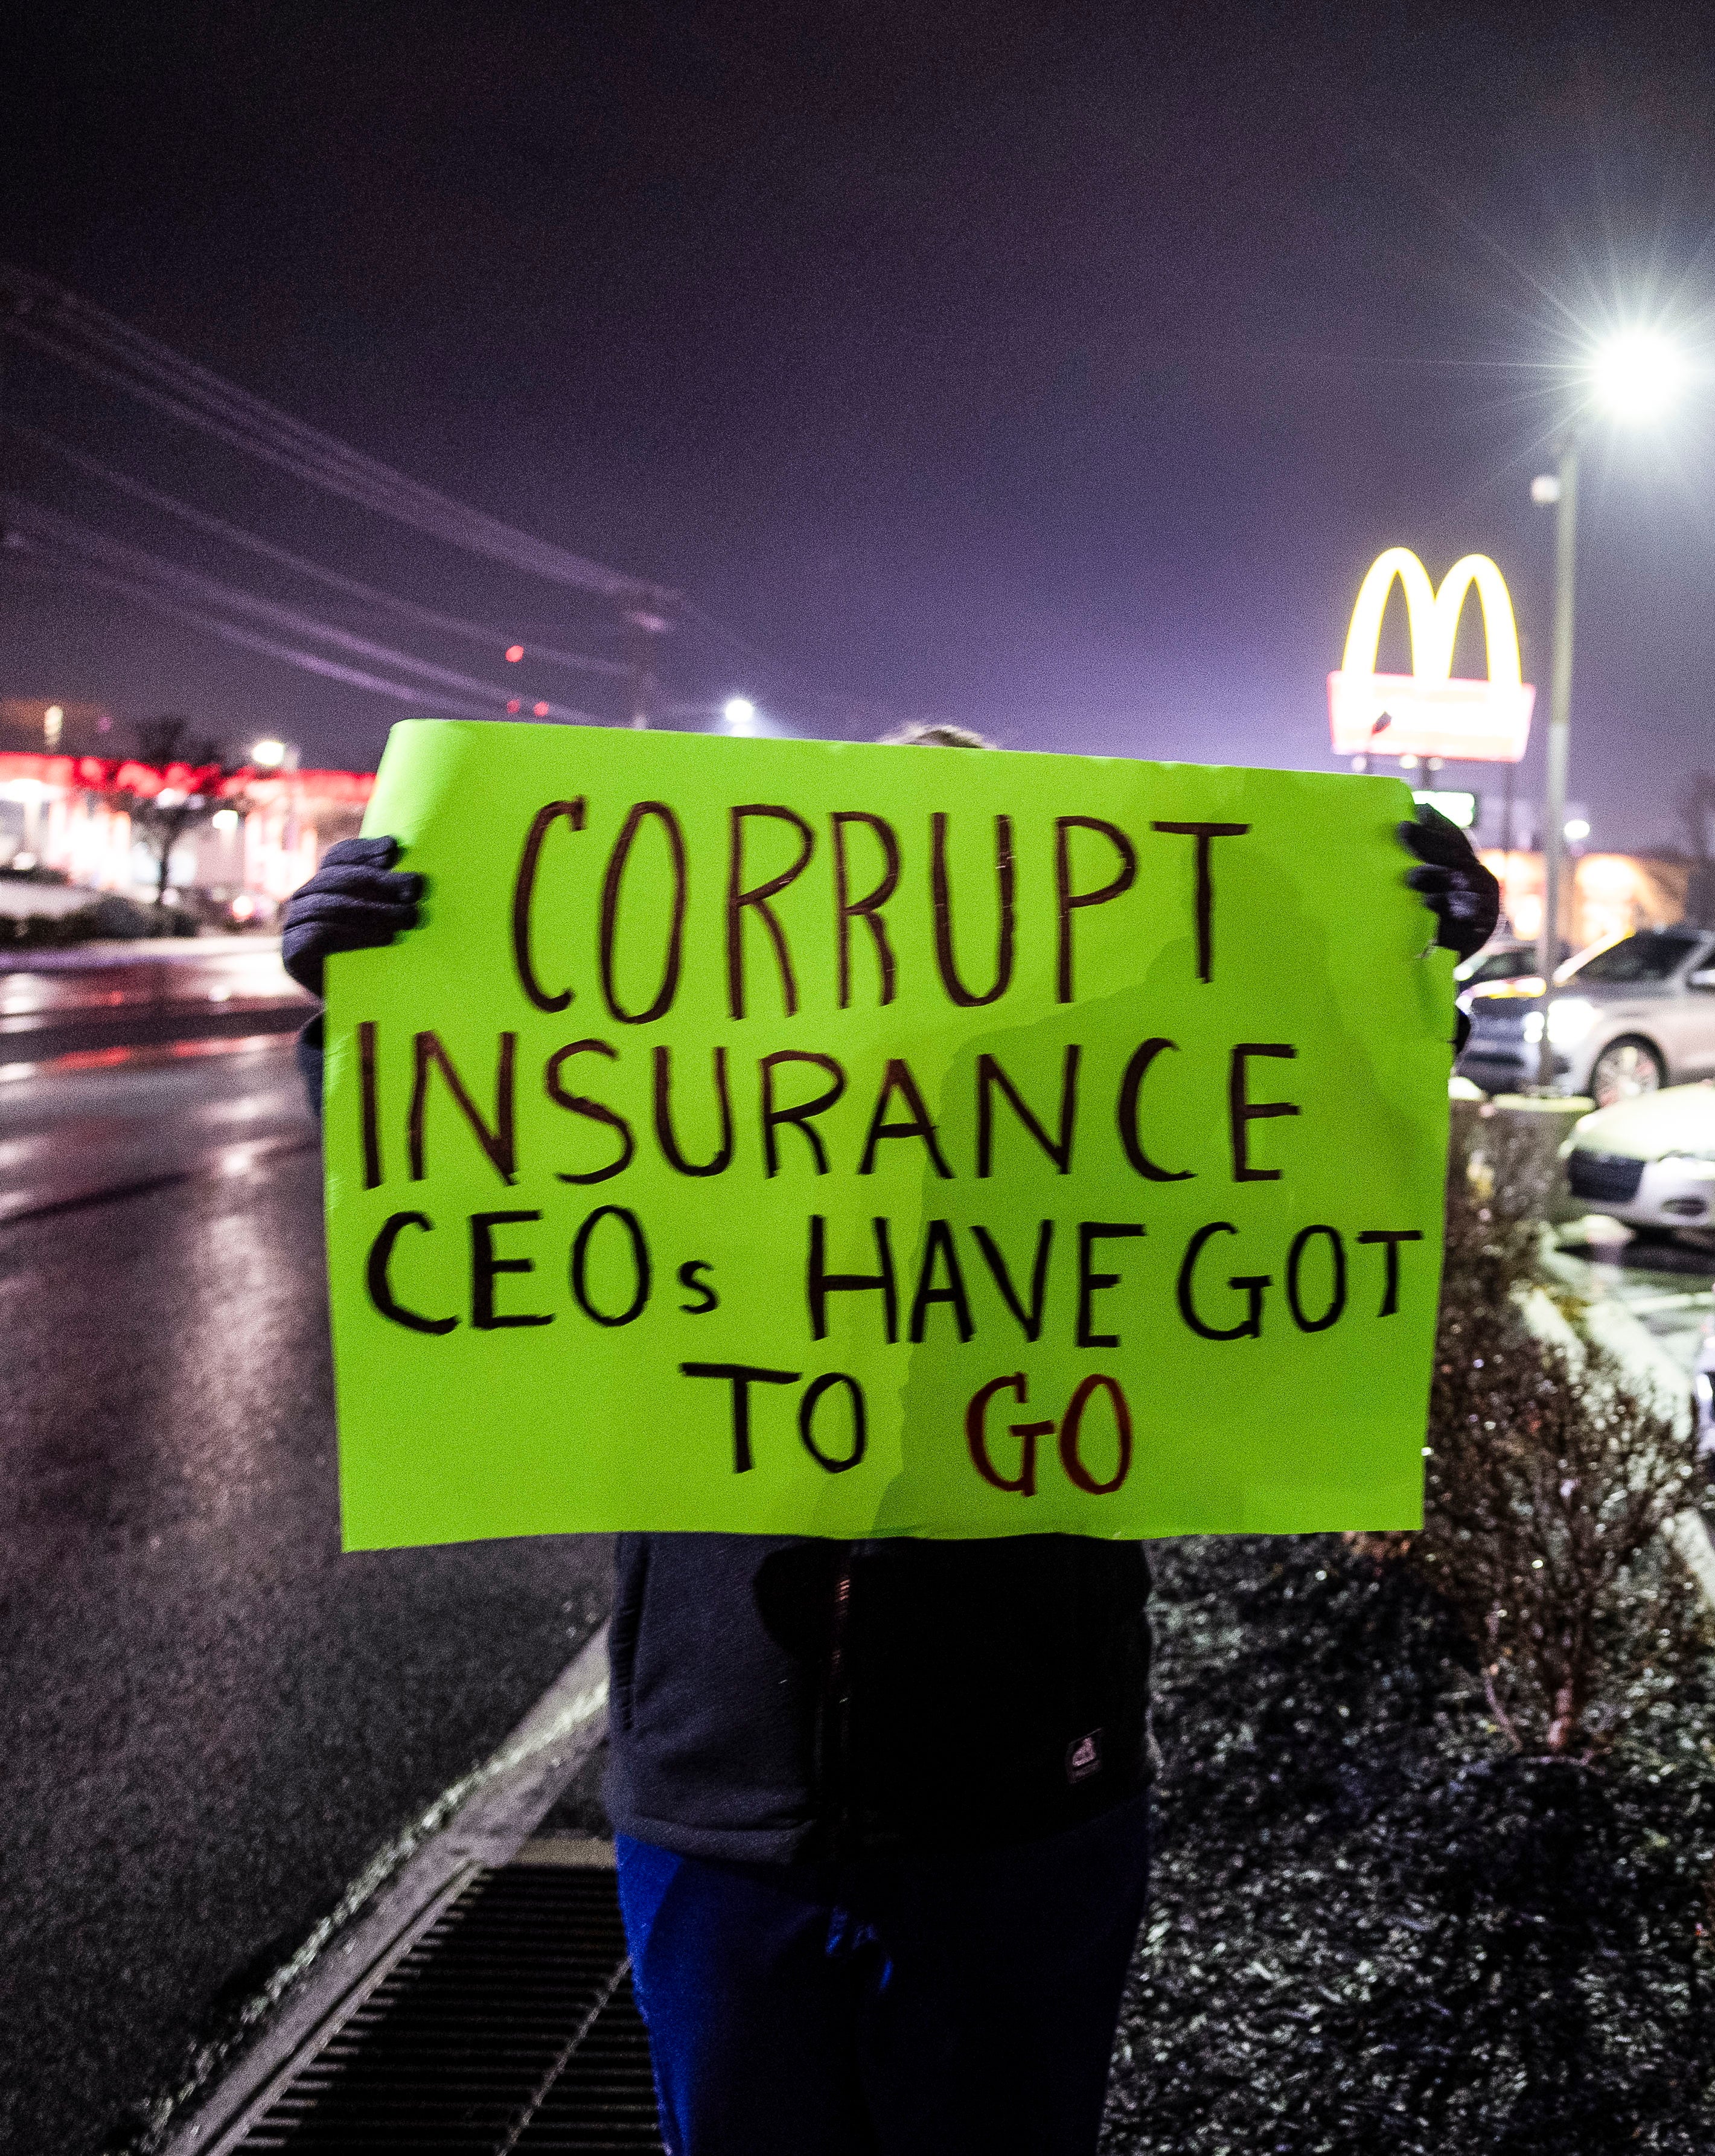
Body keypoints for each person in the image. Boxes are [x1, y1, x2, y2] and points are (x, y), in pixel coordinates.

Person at [281, 736, 1500, 2155]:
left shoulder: (1080, 1104)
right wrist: (376, 1005)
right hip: (718, 1808)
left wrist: (1400, 977)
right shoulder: (707, 1104)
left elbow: (1301, 1137)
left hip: (1021, 1815)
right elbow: (491, 1169)